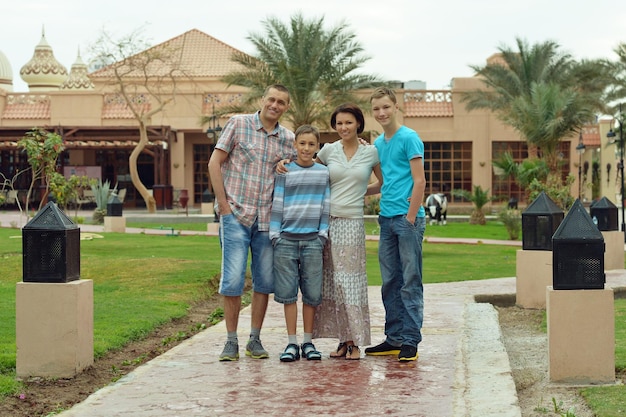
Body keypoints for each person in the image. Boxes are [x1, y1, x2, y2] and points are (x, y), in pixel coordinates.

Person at [208, 84, 295, 361]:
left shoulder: (288, 138)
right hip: (235, 214)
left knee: (264, 281)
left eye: (281, 102)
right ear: (262, 100)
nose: (275, 105)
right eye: (271, 99)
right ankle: (230, 341)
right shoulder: (238, 124)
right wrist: (223, 207)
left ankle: (254, 340)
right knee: (232, 279)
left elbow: (303, 161)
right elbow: (214, 163)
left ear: (287, 106)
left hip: (266, 221)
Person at [312, 103, 383, 360]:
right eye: (339, 123)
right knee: (332, 283)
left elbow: (382, 182)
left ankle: (354, 341)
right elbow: (310, 171)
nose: (344, 127)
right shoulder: (329, 150)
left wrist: (361, 191)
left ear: (358, 124)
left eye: (349, 123)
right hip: (327, 223)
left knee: (350, 282)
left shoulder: (371, 152)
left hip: (352, 224)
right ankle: (342, 340)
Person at [364, 87, 426, 362]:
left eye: (386, 107)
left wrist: (411, 217)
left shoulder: (409, 138)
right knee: (390, 281)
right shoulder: (378, 144)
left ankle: (410, 340)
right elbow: (382, 183)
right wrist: (355, 191)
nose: (381, 113)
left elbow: (420, 180)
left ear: (396, 107)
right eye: (376, 109)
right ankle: (394, 338)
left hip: (407, 219)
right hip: (386, 220)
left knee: (410, 281)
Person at [270, 125, 330, 362]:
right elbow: (277, 204)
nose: (306, 148)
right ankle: (291, 343)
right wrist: (275, 235)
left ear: (318, 147)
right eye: (302, 143)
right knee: (288, 294)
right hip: (286, 241)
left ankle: (308, 342)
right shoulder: (285, 171)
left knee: (312, 294)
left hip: (313, 241)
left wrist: (322, 235)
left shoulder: (323, 173)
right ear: (295, 145)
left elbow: (326, 205)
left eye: (311, 144)